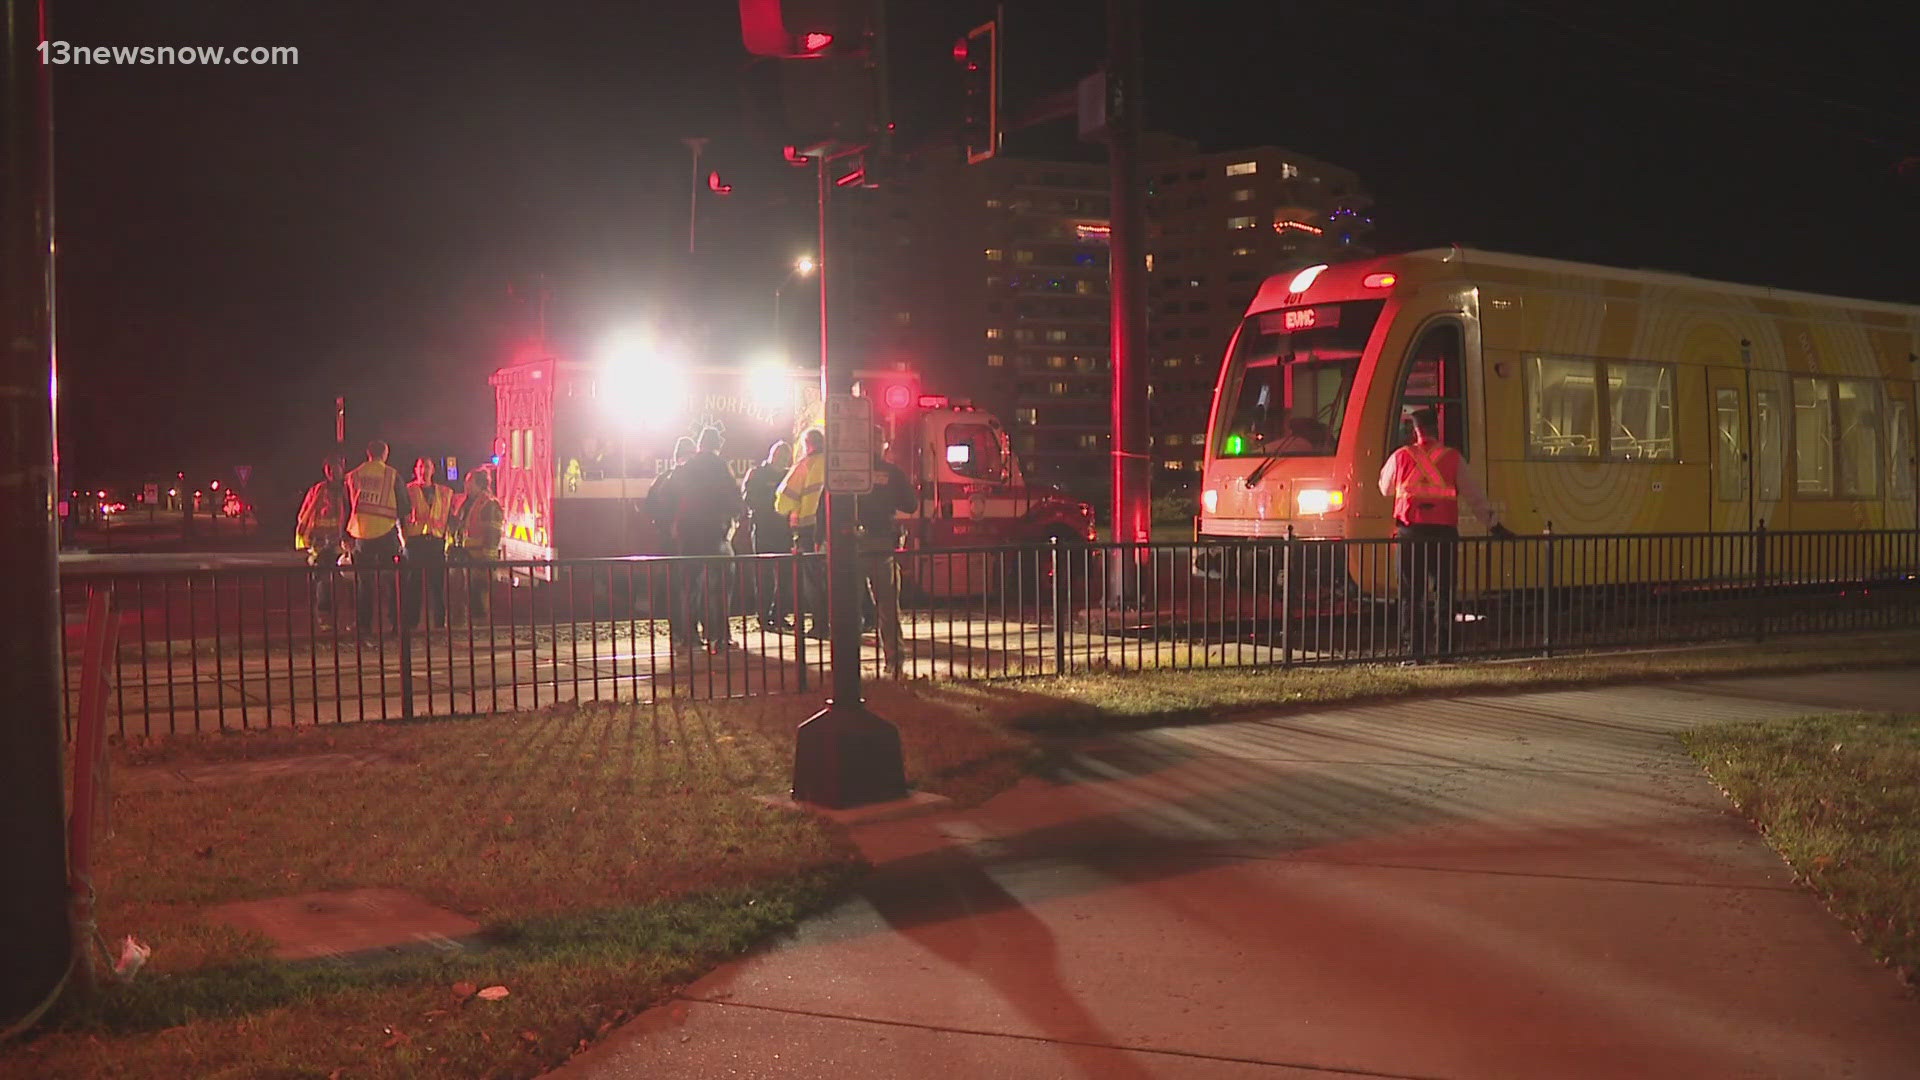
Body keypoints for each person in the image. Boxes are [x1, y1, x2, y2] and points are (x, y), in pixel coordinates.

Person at [1377, 407, 1511, 662]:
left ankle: (1413, 652)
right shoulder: (1453, 458)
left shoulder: (1400, 456)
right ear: (1436, 428)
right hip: (1443, 533)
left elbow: (1384, 488)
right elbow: (1474, 496)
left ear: (1413, 430)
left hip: (1410, 533)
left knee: (1410, 595)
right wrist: (1495, 526)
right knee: (1444, 594)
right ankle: (1444, 651)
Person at [670, 427, 744, 653]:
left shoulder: (686, 468)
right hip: (715, 533)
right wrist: (737, 514)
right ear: (716, 445)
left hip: (689, 534)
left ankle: (688, 636)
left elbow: (668, 495)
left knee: (689, 586)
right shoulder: (720, 466)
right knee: (720, 586)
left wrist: (672, 523)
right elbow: (733, 497)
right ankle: (718, 636)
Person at [854, 426, 918, 679]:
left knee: (848, 609)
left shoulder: (848, 471)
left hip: (857, 546)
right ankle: (894, 663)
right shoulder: (891, 472)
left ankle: (847, 668)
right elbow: (910, 504)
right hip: (879, 545)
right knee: (887, 608)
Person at [345, 439, 407, 642]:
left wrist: (346, 536)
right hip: (387, 533)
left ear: (368, 453)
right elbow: (405, 506)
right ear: (385, 454)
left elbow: (347, 507)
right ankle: (397, 625)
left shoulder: (353, 476)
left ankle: (364, 626)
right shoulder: (392, 474)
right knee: (393, 582)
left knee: (365, 583)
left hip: (361, 535)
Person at [775, 428, 828, 640]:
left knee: (813, 580)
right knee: (836, 578)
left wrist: (790, 511)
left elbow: (782, 500)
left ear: (808, 445)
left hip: (809, 530)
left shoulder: (806, 465)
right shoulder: (836, 462)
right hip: (834, 530)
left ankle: (820, 624)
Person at [648, 437, 696, 647]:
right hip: (688, 541)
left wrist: (663, 527)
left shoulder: (662, 479)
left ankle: (678, 631)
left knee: (675, 588)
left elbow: (650, 507)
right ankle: (690, 631)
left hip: (668, 542)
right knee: (690, 588)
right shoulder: (690, 480)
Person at [741, 439, 794, 630]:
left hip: (783, 530)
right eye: (781, 455)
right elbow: (749, 499)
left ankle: (778, 614)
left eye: (786, 456)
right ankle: (764, 616)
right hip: (764, 529)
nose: (783, 459)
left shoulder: (789, 475)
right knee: (765, 575)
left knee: (785, 575)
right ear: (772, 455)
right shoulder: (757, 474)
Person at [294, 457, 347, 629]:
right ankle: (325, 618)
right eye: (329, 469)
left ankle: (344, 618)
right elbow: (305, 514)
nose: (333, 472)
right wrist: (306, 538)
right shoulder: (317, 490)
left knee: (345, 582)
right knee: (323, 581)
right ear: (325, 471)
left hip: (342, 542)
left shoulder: (348, 490)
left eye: (336, 468)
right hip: (320, 544)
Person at [402, 457, 454, 631]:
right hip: (415, 543)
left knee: (437, 585)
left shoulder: (445, 492)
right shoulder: (408, 490)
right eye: (421, 467)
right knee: (413, 585)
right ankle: (411, 623)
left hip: (436, 542)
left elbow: (450, 516)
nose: (424, 471)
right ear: (415, 470)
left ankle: (440, 623)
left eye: (427, 467)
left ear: (433, 470)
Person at [448, 469, 503, 625]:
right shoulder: (465, 501)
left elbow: (493, 534)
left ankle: (481, 630)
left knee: (478, 597)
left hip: (479, 559)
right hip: (463, 555)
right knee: (461, 595)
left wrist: (487, 559)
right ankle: (461, 626)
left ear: (479, 484)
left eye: (469, 481)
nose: (466, 485)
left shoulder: (489, 504)